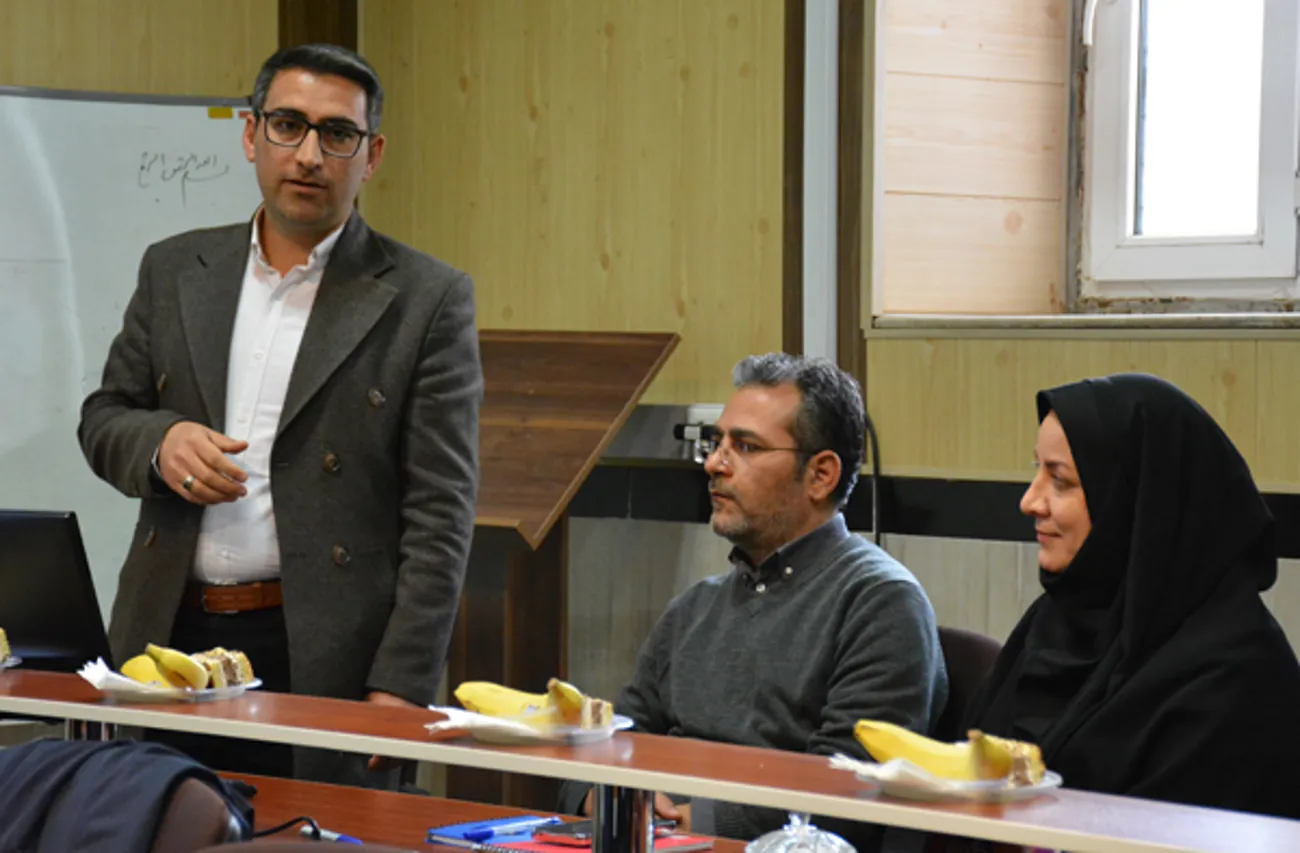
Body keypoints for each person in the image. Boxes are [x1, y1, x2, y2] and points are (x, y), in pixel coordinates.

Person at [77, 43, 482, 785]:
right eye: (288, 125)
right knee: (146, 824)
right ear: (250, 133)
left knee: (315, 830)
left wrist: (400, 682)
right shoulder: (175, 268)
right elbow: (104, 417)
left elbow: (441, 510)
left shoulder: (427, 299)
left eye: (338, 134)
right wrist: (160, 441)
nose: (309, 155)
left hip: (325, 650)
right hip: (167, 638)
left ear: (372, 154)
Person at [559, 353, 948, 853]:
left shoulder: (880, 602)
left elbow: (848, 792)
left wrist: (691, 821)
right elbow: (610, 742)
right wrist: (598, 796)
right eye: (716, 443)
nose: (714, 464)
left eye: (745, 446)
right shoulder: (694, 607)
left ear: (821, 475)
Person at [963, 372, 1300, 819]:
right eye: (1036, 470)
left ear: (1137, 501)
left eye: (1060, 480)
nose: (1030, 501)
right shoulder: (1056, 622)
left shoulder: (1237, 682)